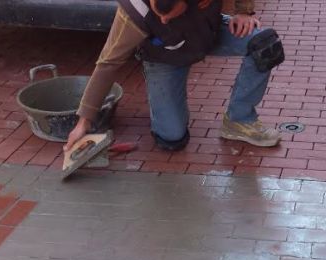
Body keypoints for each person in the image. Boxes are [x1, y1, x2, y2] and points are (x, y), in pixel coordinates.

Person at [64, 0, 286, 152]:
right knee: (171, 139)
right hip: (163, 55)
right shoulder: (134, 11)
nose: (163, 20)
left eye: (170, 13)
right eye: (159, 12)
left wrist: (244, 11)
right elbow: (108, 63)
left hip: (204, 32)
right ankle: (165, 110)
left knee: (265, 44)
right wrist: (84, 121)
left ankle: (240, 120)